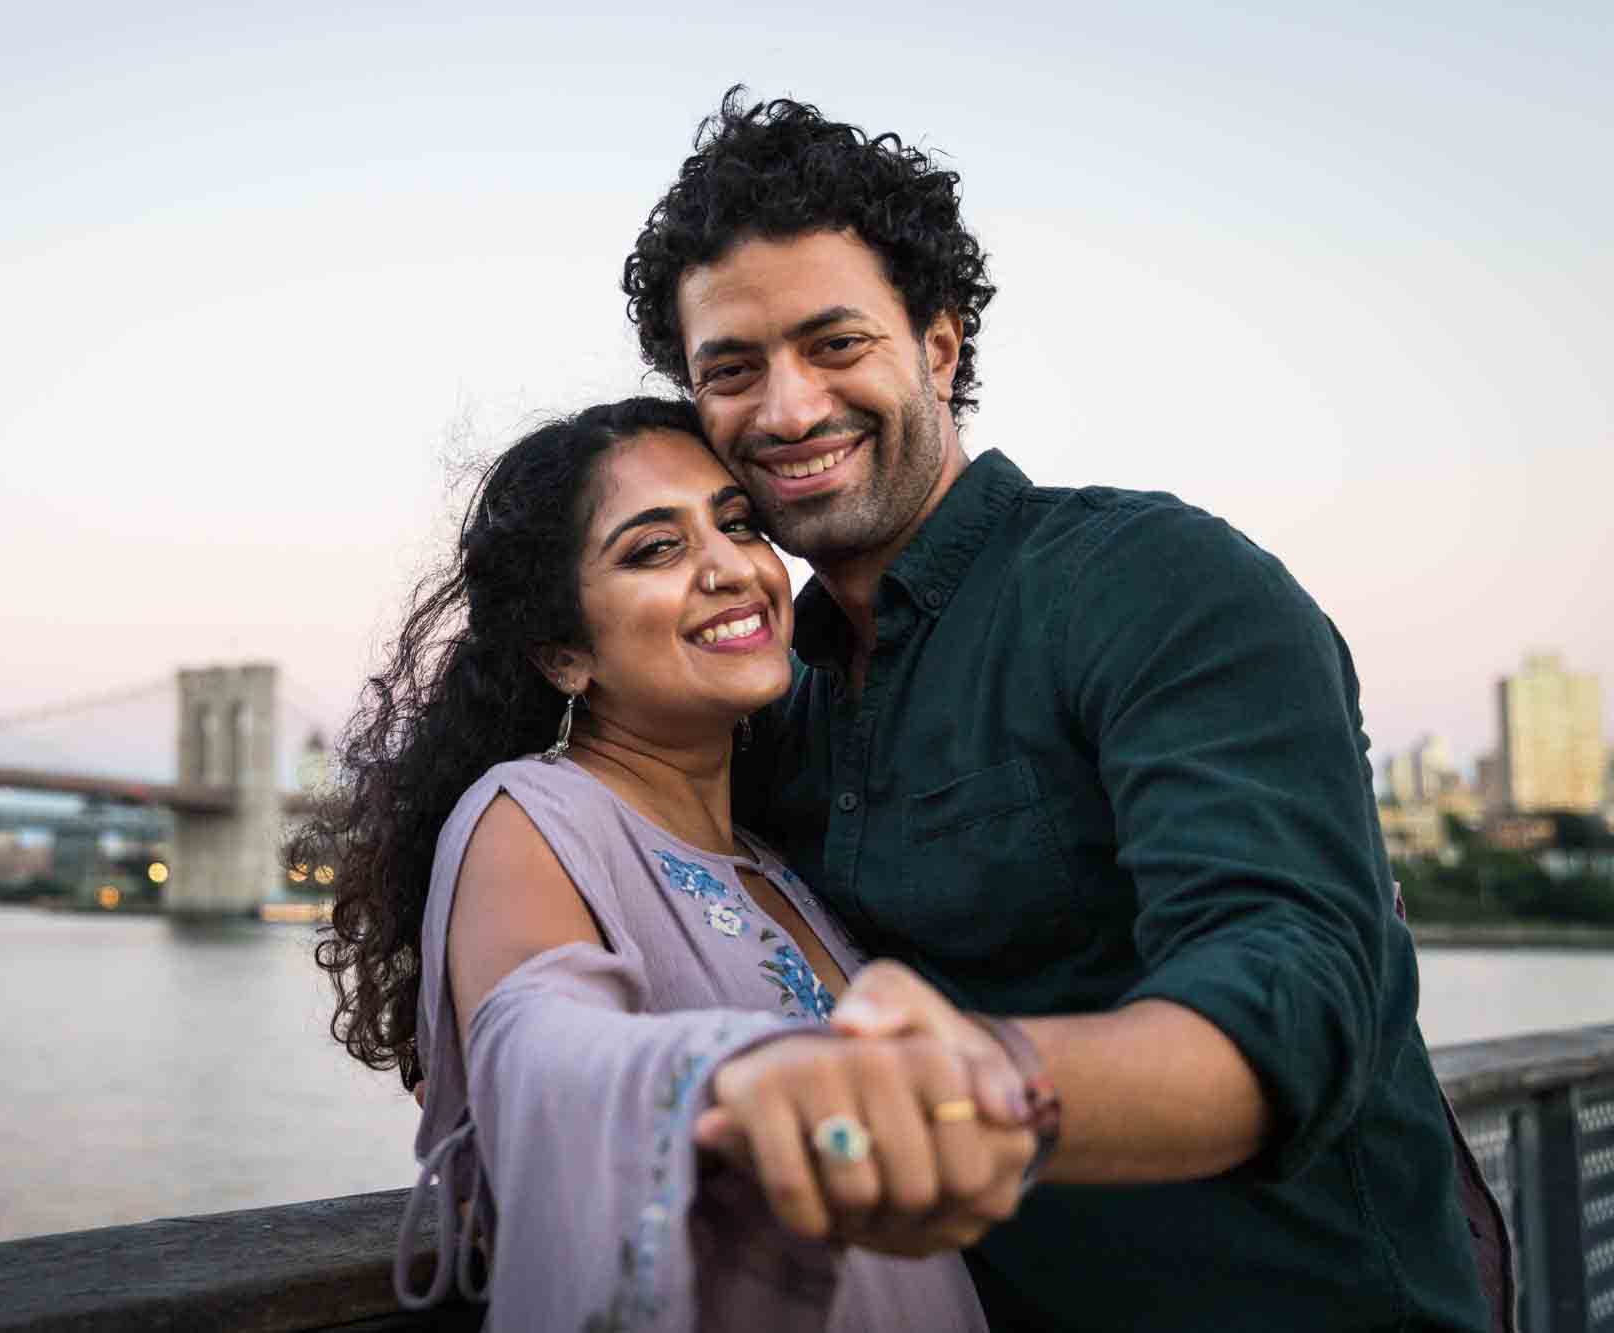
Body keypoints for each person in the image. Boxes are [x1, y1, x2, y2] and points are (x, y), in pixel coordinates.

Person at [618, 91, 1513, 1332]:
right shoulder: (777, 702)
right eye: (731, 370)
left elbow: (1292, 985)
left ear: (936, 347)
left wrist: (990, 1084)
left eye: (833, 345)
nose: (782, 409)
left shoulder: (1155, 583)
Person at [297, 397, 1022, 1330]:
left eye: (737, 523)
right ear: (564, 655)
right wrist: (722, 1077)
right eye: (655, 550)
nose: (729, 566)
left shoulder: (773, 861)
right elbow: (537, 1038)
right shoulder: (531, 815)